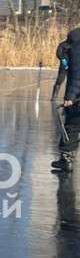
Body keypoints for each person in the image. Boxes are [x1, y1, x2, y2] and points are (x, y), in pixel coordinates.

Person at [52, 28, 80, 173]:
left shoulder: (75, 46)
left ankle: (66, 160)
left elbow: (77, 74)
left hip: (77, 97)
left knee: (72, 126)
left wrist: (70, 96)